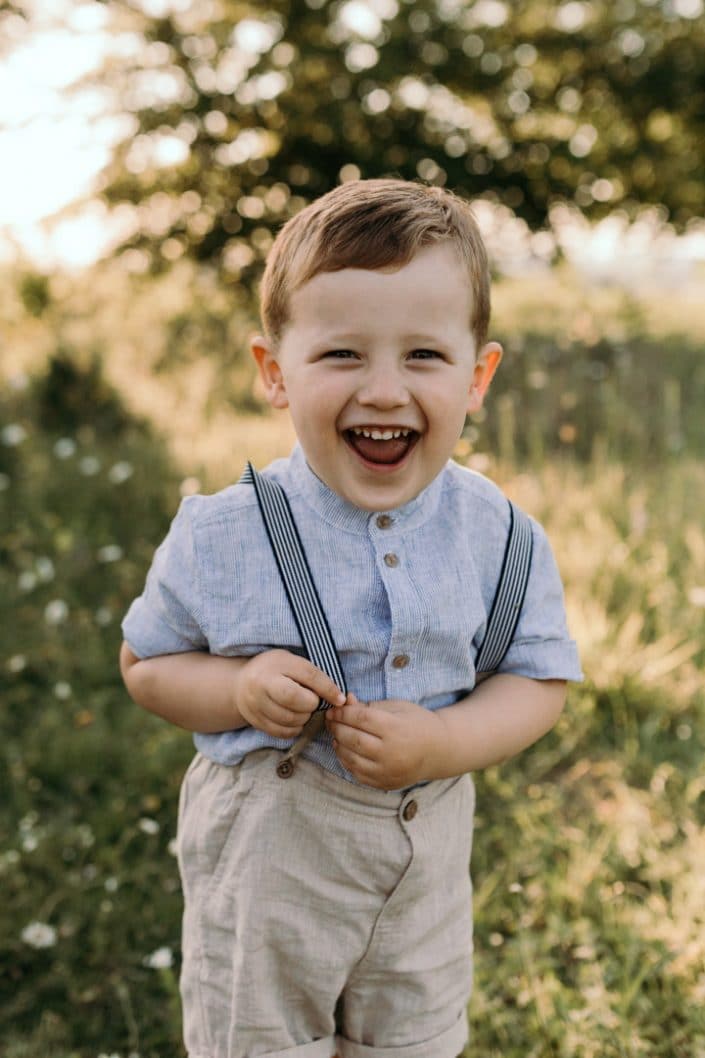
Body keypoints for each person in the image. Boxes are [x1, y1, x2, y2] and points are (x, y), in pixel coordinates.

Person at [119, 178, 582, 1058]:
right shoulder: (224, 532)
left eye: (422, 356)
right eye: (341, 355)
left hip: (424, 873)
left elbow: (537, 678)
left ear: (476, 375)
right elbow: (145, 664)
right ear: (274, 373)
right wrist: (239, 685)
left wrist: (444, 745)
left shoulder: (499, 534)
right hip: (267, 878)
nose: (382, 389)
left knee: (410, 1038)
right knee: (259, 1040)